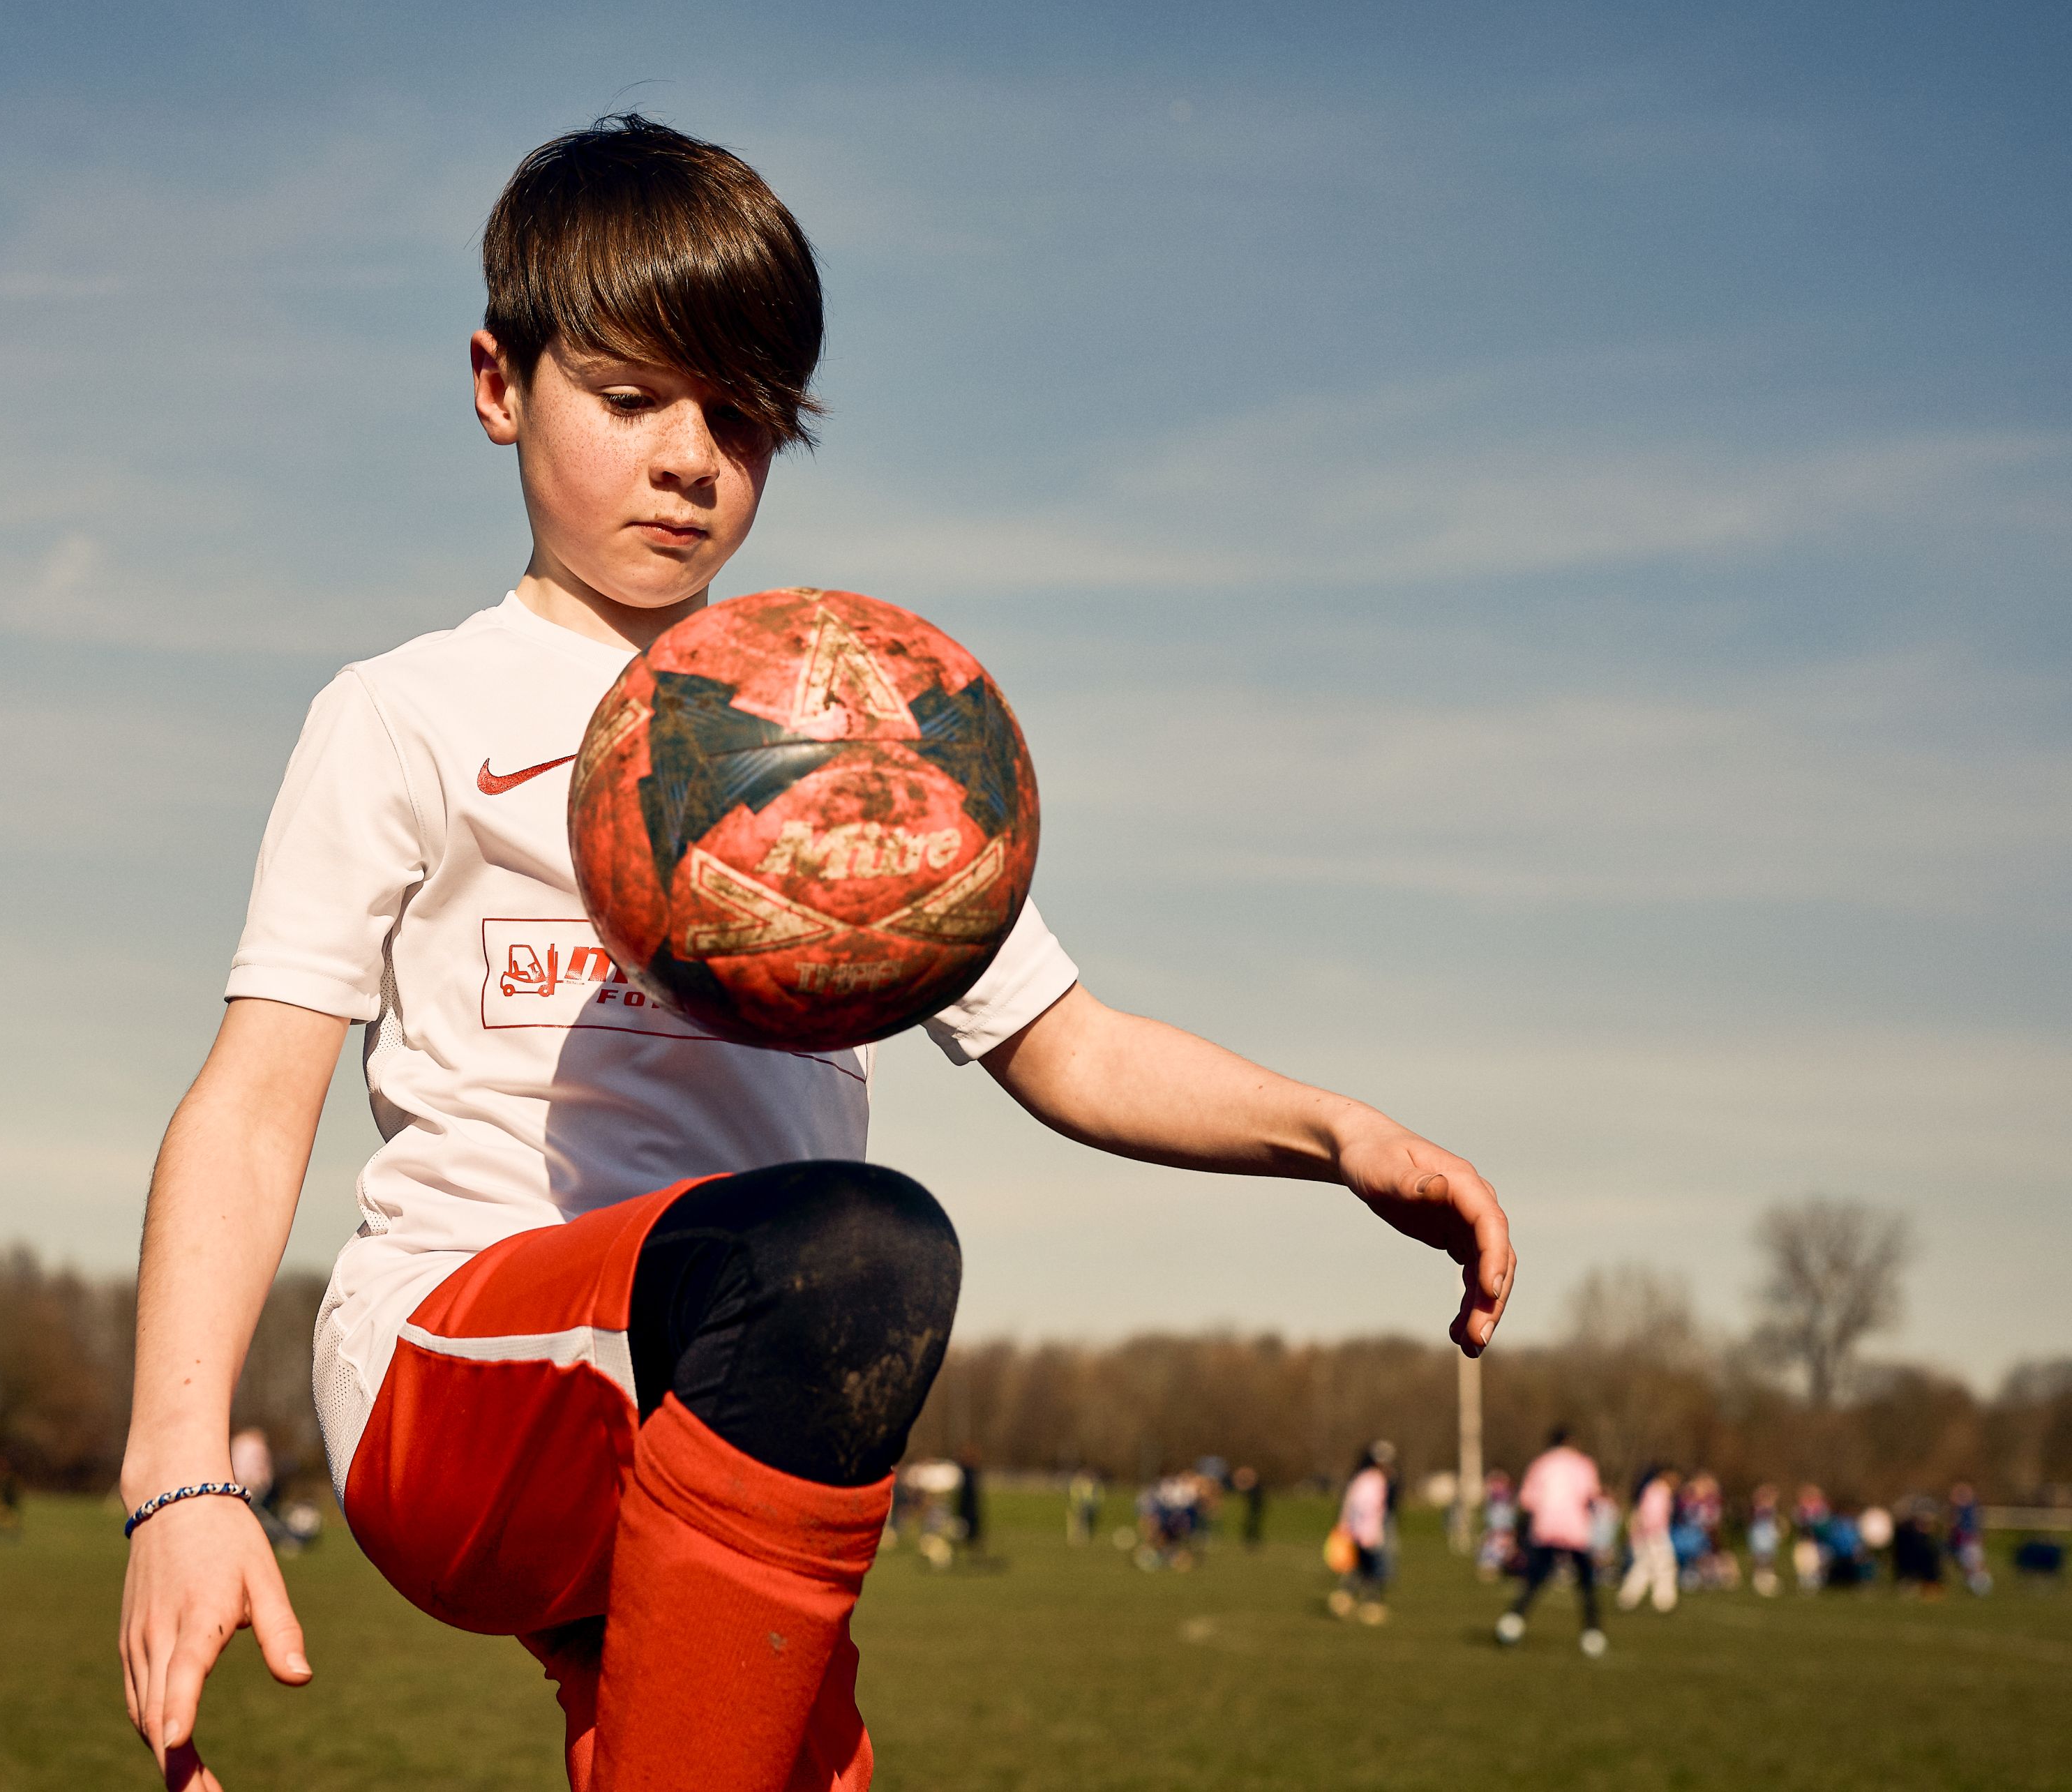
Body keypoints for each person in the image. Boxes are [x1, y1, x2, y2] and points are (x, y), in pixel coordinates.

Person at [110, 114, 1519, 1792]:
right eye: (631, 398)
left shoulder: (849, 737)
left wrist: (1338, 1133)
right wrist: (181, 1482)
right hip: (466, 1382)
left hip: (729, 1439)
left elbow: (1069, 1044)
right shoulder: (408, 716)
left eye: (741, 416)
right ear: (499, 384)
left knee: (824, 1317)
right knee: (853, 1255)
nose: (690, 458)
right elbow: (255, 1102)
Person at [1496, 1426, 1605, 1657]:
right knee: (1585, 1585)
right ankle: (1592, 1632)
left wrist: (1521, 1532)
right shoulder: (1583, 1464)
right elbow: (1591, 1497)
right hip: (1576, 1531)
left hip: (1545, 1528)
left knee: (1535, 1579)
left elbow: (1528, 1501)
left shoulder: (1541, 1464)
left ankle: (1513, 1621)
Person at [1331, 1441, 1396, 1625]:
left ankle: (1355, 1598)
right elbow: (1364, 1507)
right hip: (1366, 1532)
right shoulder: (1371, 1480)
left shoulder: (1373, 1479)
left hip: (1364, 1531)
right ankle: (1366, 1601)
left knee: (1364, 1568)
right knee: (1369, 1568)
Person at [1619, 1466, 1679, 1613]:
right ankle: (1664, 1600)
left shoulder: (1653, 1490)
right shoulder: (1660, 1491)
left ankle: (1628, 1597)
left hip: (1648, 1534)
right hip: (1654, 1534)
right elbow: (1652, 1514)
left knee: (1644, 1566)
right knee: (1665, 1566)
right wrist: (1651, 1533)